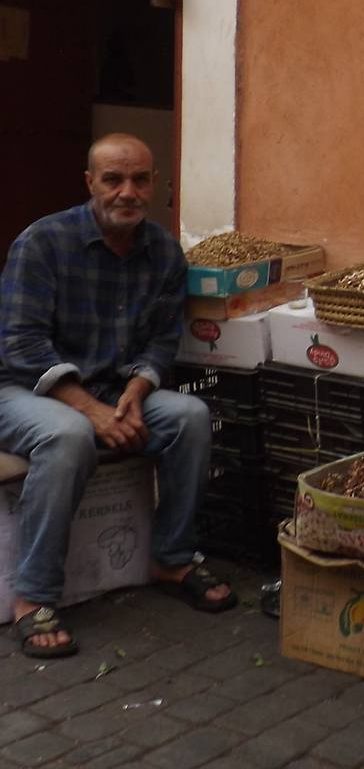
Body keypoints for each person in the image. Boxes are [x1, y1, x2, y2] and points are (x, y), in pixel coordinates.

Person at [0, 133, 235, 659]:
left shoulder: (164, 252)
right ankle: (33, 595)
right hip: (17, 388)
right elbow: (21, 346)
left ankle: (170, 558)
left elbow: (161, 340)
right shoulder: (43, 242)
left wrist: (135, 389)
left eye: (139, 179)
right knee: (68, 435)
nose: (127, 191)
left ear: (155, 183)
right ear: (90, 183)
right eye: (113, 179)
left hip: (109, 388)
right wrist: (93, 411)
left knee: (190, 416)